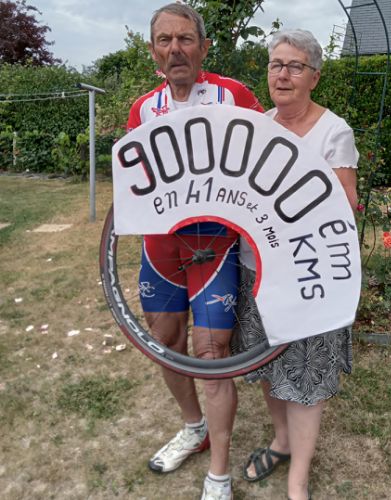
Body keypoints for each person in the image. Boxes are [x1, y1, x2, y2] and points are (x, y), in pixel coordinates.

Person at [126, 4, 263, 500]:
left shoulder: (234, 95)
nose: (175, 49)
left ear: (204, 47)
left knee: (212, 353)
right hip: (161, 244)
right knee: (166, 341)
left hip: (214, 243)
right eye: (165, 40)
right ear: (153, 51)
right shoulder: (143, 108)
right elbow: (135, 180)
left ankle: (219, 474)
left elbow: (267, 163)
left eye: (185, 39)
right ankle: (194, 427)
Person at [238, 29, 359, 500]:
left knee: (306, 376)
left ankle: (298, 480)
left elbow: (346, 207)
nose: (282, 75)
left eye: (294, 66)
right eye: (275, 65)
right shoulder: (257, 125)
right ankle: (282, 441)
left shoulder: (333, 131)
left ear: (314, 77)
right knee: (269, 363)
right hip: (257, 270)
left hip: (311, 277)